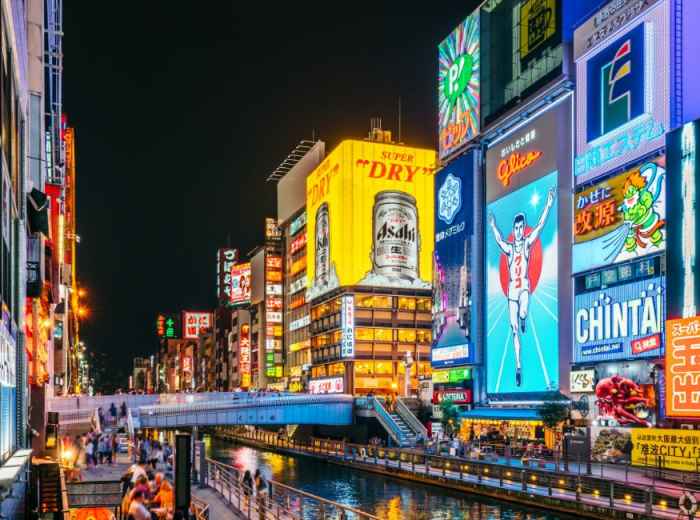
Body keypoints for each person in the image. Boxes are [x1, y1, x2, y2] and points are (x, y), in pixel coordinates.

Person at [487, 187, 555, 387]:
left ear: (523, 228)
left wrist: (548, 205)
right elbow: (499, 240)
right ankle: (518, 366)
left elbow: (541, 226)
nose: (518, 231)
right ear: (513, 229)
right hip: (511, 292)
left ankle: (524, 318)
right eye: (515, 228)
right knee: (514, 330)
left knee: (523, 313)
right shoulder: (509, 248)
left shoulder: (526, 244)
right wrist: (492, 225)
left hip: (524, 287)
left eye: (520, 228)